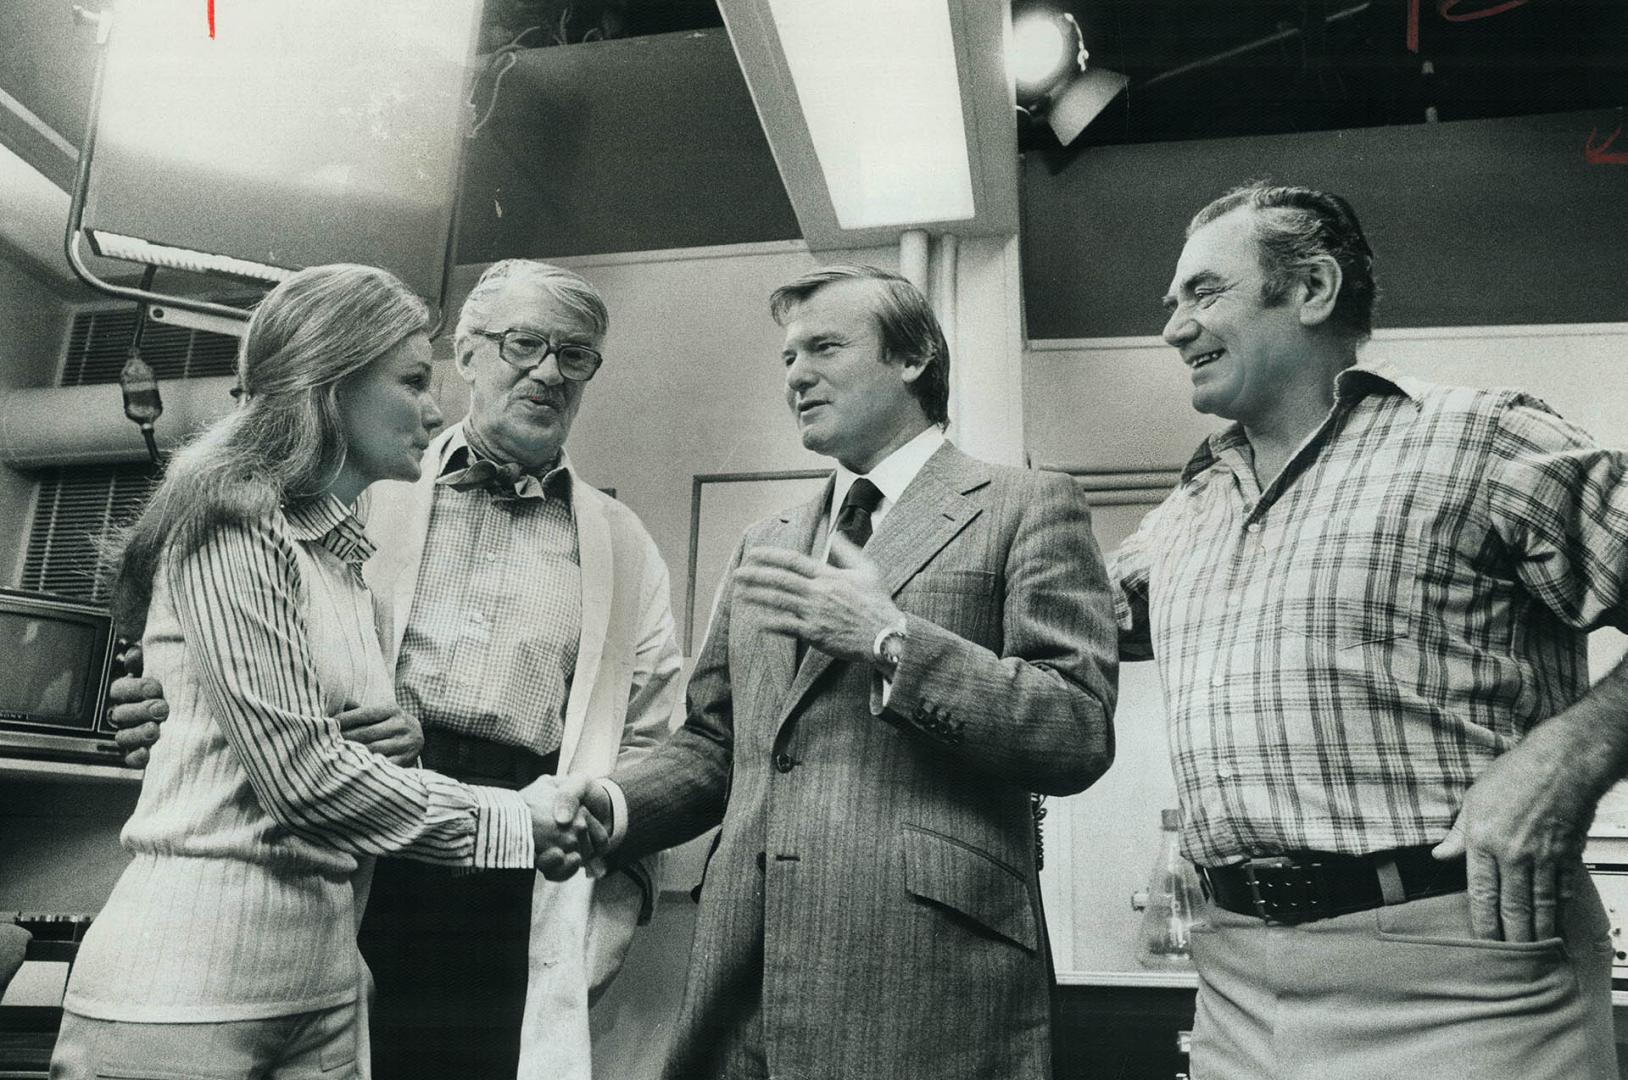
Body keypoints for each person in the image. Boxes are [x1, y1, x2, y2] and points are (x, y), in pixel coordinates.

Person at [109, 259, 685, 1080]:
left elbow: (651, 743)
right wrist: (170, 708)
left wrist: (624, 892)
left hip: (524, 864)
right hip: (353, 839)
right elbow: (249, 678)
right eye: (527, 343)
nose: (551, 372)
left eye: (577, 355)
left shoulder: (623, 544)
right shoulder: (356, 485)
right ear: (469, 353)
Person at [549, 264, 1120, 1080]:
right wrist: (609, 806)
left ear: (914, 356)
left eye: (823, 347)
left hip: (925, 982)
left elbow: (1076, 729)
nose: (796, 377)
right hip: (743, 977)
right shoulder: (768, 540)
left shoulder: (1024, 505)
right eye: (787, 358)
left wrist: (891, 640)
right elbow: (718, 741)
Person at [1110, 181, 1627, 1079]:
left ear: (1311, 288)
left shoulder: (1479, 438)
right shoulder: (1185, 512)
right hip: (1234, 987)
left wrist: (1572, 755)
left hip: (1468, 982)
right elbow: (1060, 631)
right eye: (1172, 304)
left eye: (1203, 293)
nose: (1172, 328)